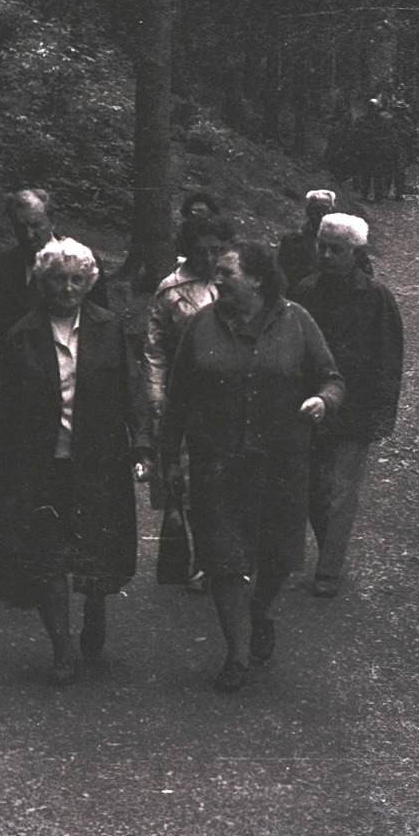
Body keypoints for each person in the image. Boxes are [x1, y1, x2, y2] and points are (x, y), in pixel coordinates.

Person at [158, 239, 345, 692]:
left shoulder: (296, 321)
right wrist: (168, 459)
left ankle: (258, 610)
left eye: (227, 273)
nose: (216, 280)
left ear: (258, 278)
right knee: (223, 560)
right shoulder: (201, 325)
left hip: (281, 462)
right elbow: (177, 397)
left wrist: (323, 400)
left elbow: (331, 376)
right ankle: (237, 653)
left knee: (278, 557)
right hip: (217, 464)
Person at [0, 239, 151, 686]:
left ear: (90, 283)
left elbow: (133, 393)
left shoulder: (109, 329)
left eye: (77, 280)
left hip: (98, 463)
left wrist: (142, 446)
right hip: (40, 466)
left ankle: (95, 608)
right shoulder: (21, 336)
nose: (68, 289)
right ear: (42, 282)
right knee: (47, 557)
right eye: (58, 279)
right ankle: (63, 648)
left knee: (96, 549)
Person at [289, 214, 405, 597]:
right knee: (310, 489)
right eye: (322, 246)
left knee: (340, 492)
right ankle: (328, 553)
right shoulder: (305, 291)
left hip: (354, 412)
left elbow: (389, 361)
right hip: (310, 407)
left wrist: (381, 417)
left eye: (335, 249)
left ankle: (328, 570)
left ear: (356, 253)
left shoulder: (376, 298)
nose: (325, 255)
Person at [144, 213, 235, 591]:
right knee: (182, 478)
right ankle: (187, 558)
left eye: (217, 250)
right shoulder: (170, 290)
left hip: (228, 397)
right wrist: (156, 393)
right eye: (202, 251)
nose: (210, 259)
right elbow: (154, 350)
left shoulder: (237, 281)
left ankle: (217, 559)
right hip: (184, 397)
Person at [0, 189, 108, 397]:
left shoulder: (82, 263)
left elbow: (100, 322)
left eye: (36, 225)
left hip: (68, 381)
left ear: (51, 220)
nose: (28, 235)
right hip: (10, 383)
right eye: (20, 227)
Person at [275, 189, 336, 291]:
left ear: (332, 212)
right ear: (308, 211)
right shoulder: (292, 240)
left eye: (325, 209)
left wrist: (318, 277)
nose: (321, 214)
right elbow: (281, 272)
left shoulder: (343, 240)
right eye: (316, 209)